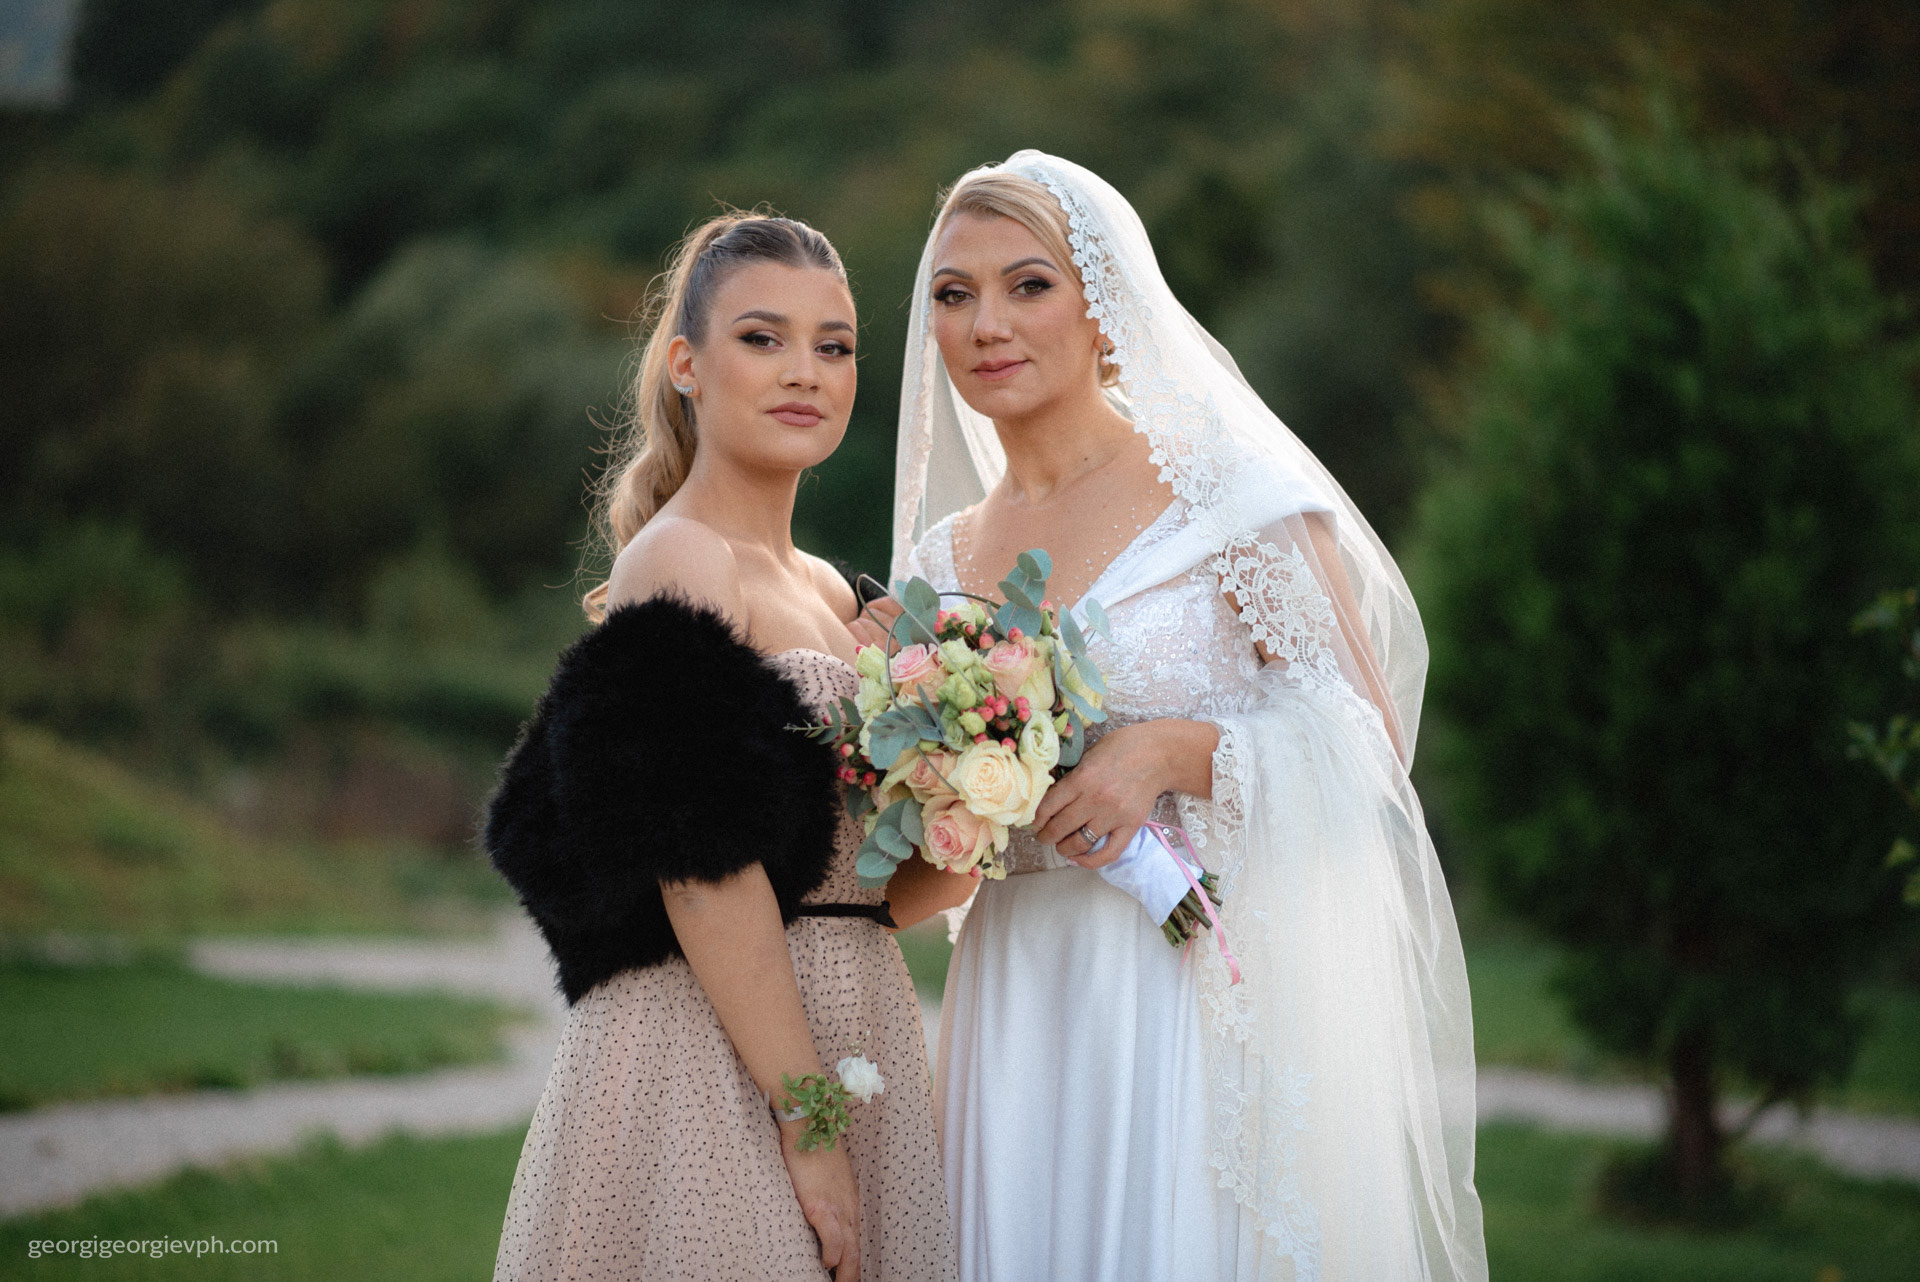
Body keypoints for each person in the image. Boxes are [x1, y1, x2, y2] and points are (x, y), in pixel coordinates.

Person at [883, 153, 1488, 1280]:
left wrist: (1172, 753)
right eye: (954, 295)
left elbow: (1370, 749)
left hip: (1186, 996)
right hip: (1017, 1002)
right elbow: (936, 864)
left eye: (1028, 285)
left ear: (1103, 308)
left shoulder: (1224, 498)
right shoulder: (939, 564)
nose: (985, 324)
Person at [485, 211, 960, 1282]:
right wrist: (808, 1118)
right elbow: (700, 870)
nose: (805, 371)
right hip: (711, 1053)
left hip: (858, 1027)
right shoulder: (681, 562)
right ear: (687, 366)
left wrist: (972, 776)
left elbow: (888, 896)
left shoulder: (840, 594)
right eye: (762, 338)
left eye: (833, 345)